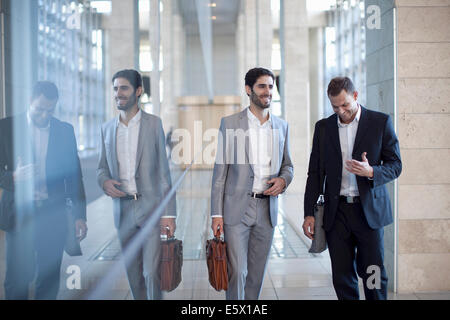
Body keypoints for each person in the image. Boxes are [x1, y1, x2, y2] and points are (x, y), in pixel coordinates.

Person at [303, 76, 402, 300]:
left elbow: (396, 166)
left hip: (369, 212)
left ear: (355, 96)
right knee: (342, 276)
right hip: (337, 214)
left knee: (373, 273)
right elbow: (315, 173)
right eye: (335, 106)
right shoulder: (323, 128)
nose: (340, 111)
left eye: (345, 104)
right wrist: (309, 212)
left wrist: (372, 172)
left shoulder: (380, 122)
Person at [211, 67, 294, 300]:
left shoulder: (281, 126)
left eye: (270, 86)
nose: (267, 91)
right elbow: (220, 173)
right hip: (236, 208)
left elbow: (289, 165)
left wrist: (284, 179)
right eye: (262, 86)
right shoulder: (229, 124)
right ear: (248, 90)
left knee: (256, 275)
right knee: (237, 271)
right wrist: (216, 214)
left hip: (267, 209)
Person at [0, 81, 87, 299]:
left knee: (48, 280)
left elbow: (75, 176)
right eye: (40, 109)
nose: (44, 115)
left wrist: (79, 216)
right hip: (20, 215)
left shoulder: (65, 131)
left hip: (53, 214)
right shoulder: (6, 128)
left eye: (50, 110)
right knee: (17, 279)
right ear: (30, 101)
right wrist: (13, 177)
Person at [97, 69, 176, 300]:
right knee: (133, 275)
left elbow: (164, 173)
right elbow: (101, 167)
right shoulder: (107, 129)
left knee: (151, 273)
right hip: (122, 211)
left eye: (123, 88)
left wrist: (169, 215)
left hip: (150, 208)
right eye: (115, 89)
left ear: (138, 91)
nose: (118, 93)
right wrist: (104, 182)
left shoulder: (153, 125)